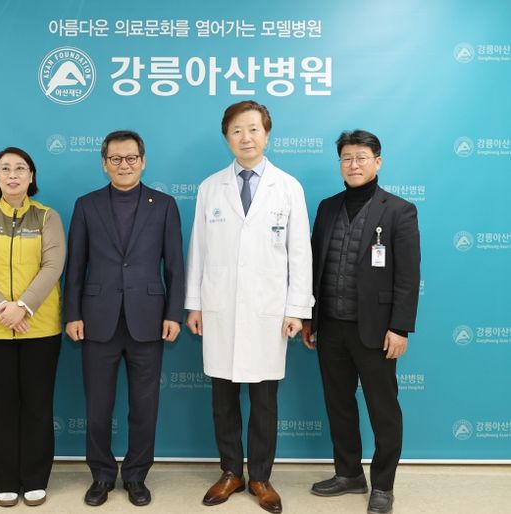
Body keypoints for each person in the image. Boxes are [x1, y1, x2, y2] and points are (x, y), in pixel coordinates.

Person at [185, 101, 313, 514]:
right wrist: (194, 305)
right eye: (237, 130)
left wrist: (296, 309)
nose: (246, 138)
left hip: (268, 311)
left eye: (254, 129)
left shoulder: (287, 187)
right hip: (219, 307)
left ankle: (259, 476)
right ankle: (230, 472)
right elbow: (198, 251)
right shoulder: (210, 188)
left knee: (264, 400)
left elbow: (300, 254)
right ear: (227, 137)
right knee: (222, 398)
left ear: (267, 134)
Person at [301, 130, 421, 514]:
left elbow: (408, 276)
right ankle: (349, 473)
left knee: (383, 411)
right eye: (346, 158)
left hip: (377, 330)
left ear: (377, 162)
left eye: (361, 157)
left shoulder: (399, 210)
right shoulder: (326, 208)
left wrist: (399, 328)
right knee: (338, 404)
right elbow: (314, 267)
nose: (353, 164)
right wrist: (309, 319)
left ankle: (383, 485)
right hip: (331, 326)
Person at [64, 130, 185, 507]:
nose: (124, 165)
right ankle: (101, 475)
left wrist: (174, 313)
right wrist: (72, 313)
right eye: (115, 159)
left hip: (148, 319)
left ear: (143, 161)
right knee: (98, 408)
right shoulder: (87, 205)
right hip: (97, 320)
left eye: (131, 158)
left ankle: (136, 476)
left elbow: (175, 266)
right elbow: (76, 265)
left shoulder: (164, 205)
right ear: (104, 164)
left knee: (144, 408)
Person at [0, 147, 65, 507]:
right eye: (5, 169)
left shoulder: (47, 217)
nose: (13, 174)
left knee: (37, 405)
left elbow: (53, 265)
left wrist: (23, 307)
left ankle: (35, 478)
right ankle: (3, 479)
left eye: (20, 168)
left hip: (40, 327)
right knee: (0, 405)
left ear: (31, 176)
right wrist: (0, 307)